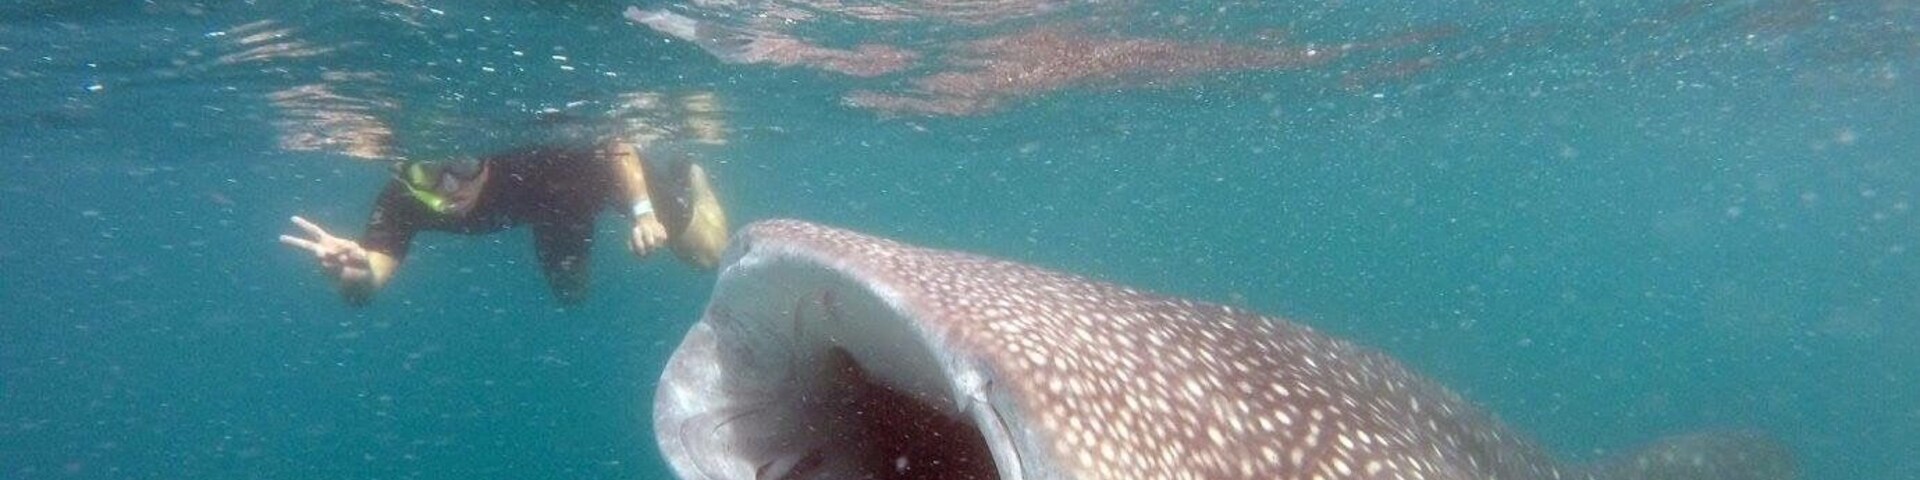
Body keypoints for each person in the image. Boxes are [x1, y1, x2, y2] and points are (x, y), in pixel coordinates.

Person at [278, 141, 729, 305]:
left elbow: (616, 145)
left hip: (598, 177)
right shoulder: (403, 200)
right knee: (571, 295)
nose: (450, 186)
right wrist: (354, 276)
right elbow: (368, 279)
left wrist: (643, 212)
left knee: (709, 256)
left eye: (463, 164)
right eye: (428, 172)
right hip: (548, 209)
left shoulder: (525, 156)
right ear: (404, 172)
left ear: (487, 159)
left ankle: (693, 176)